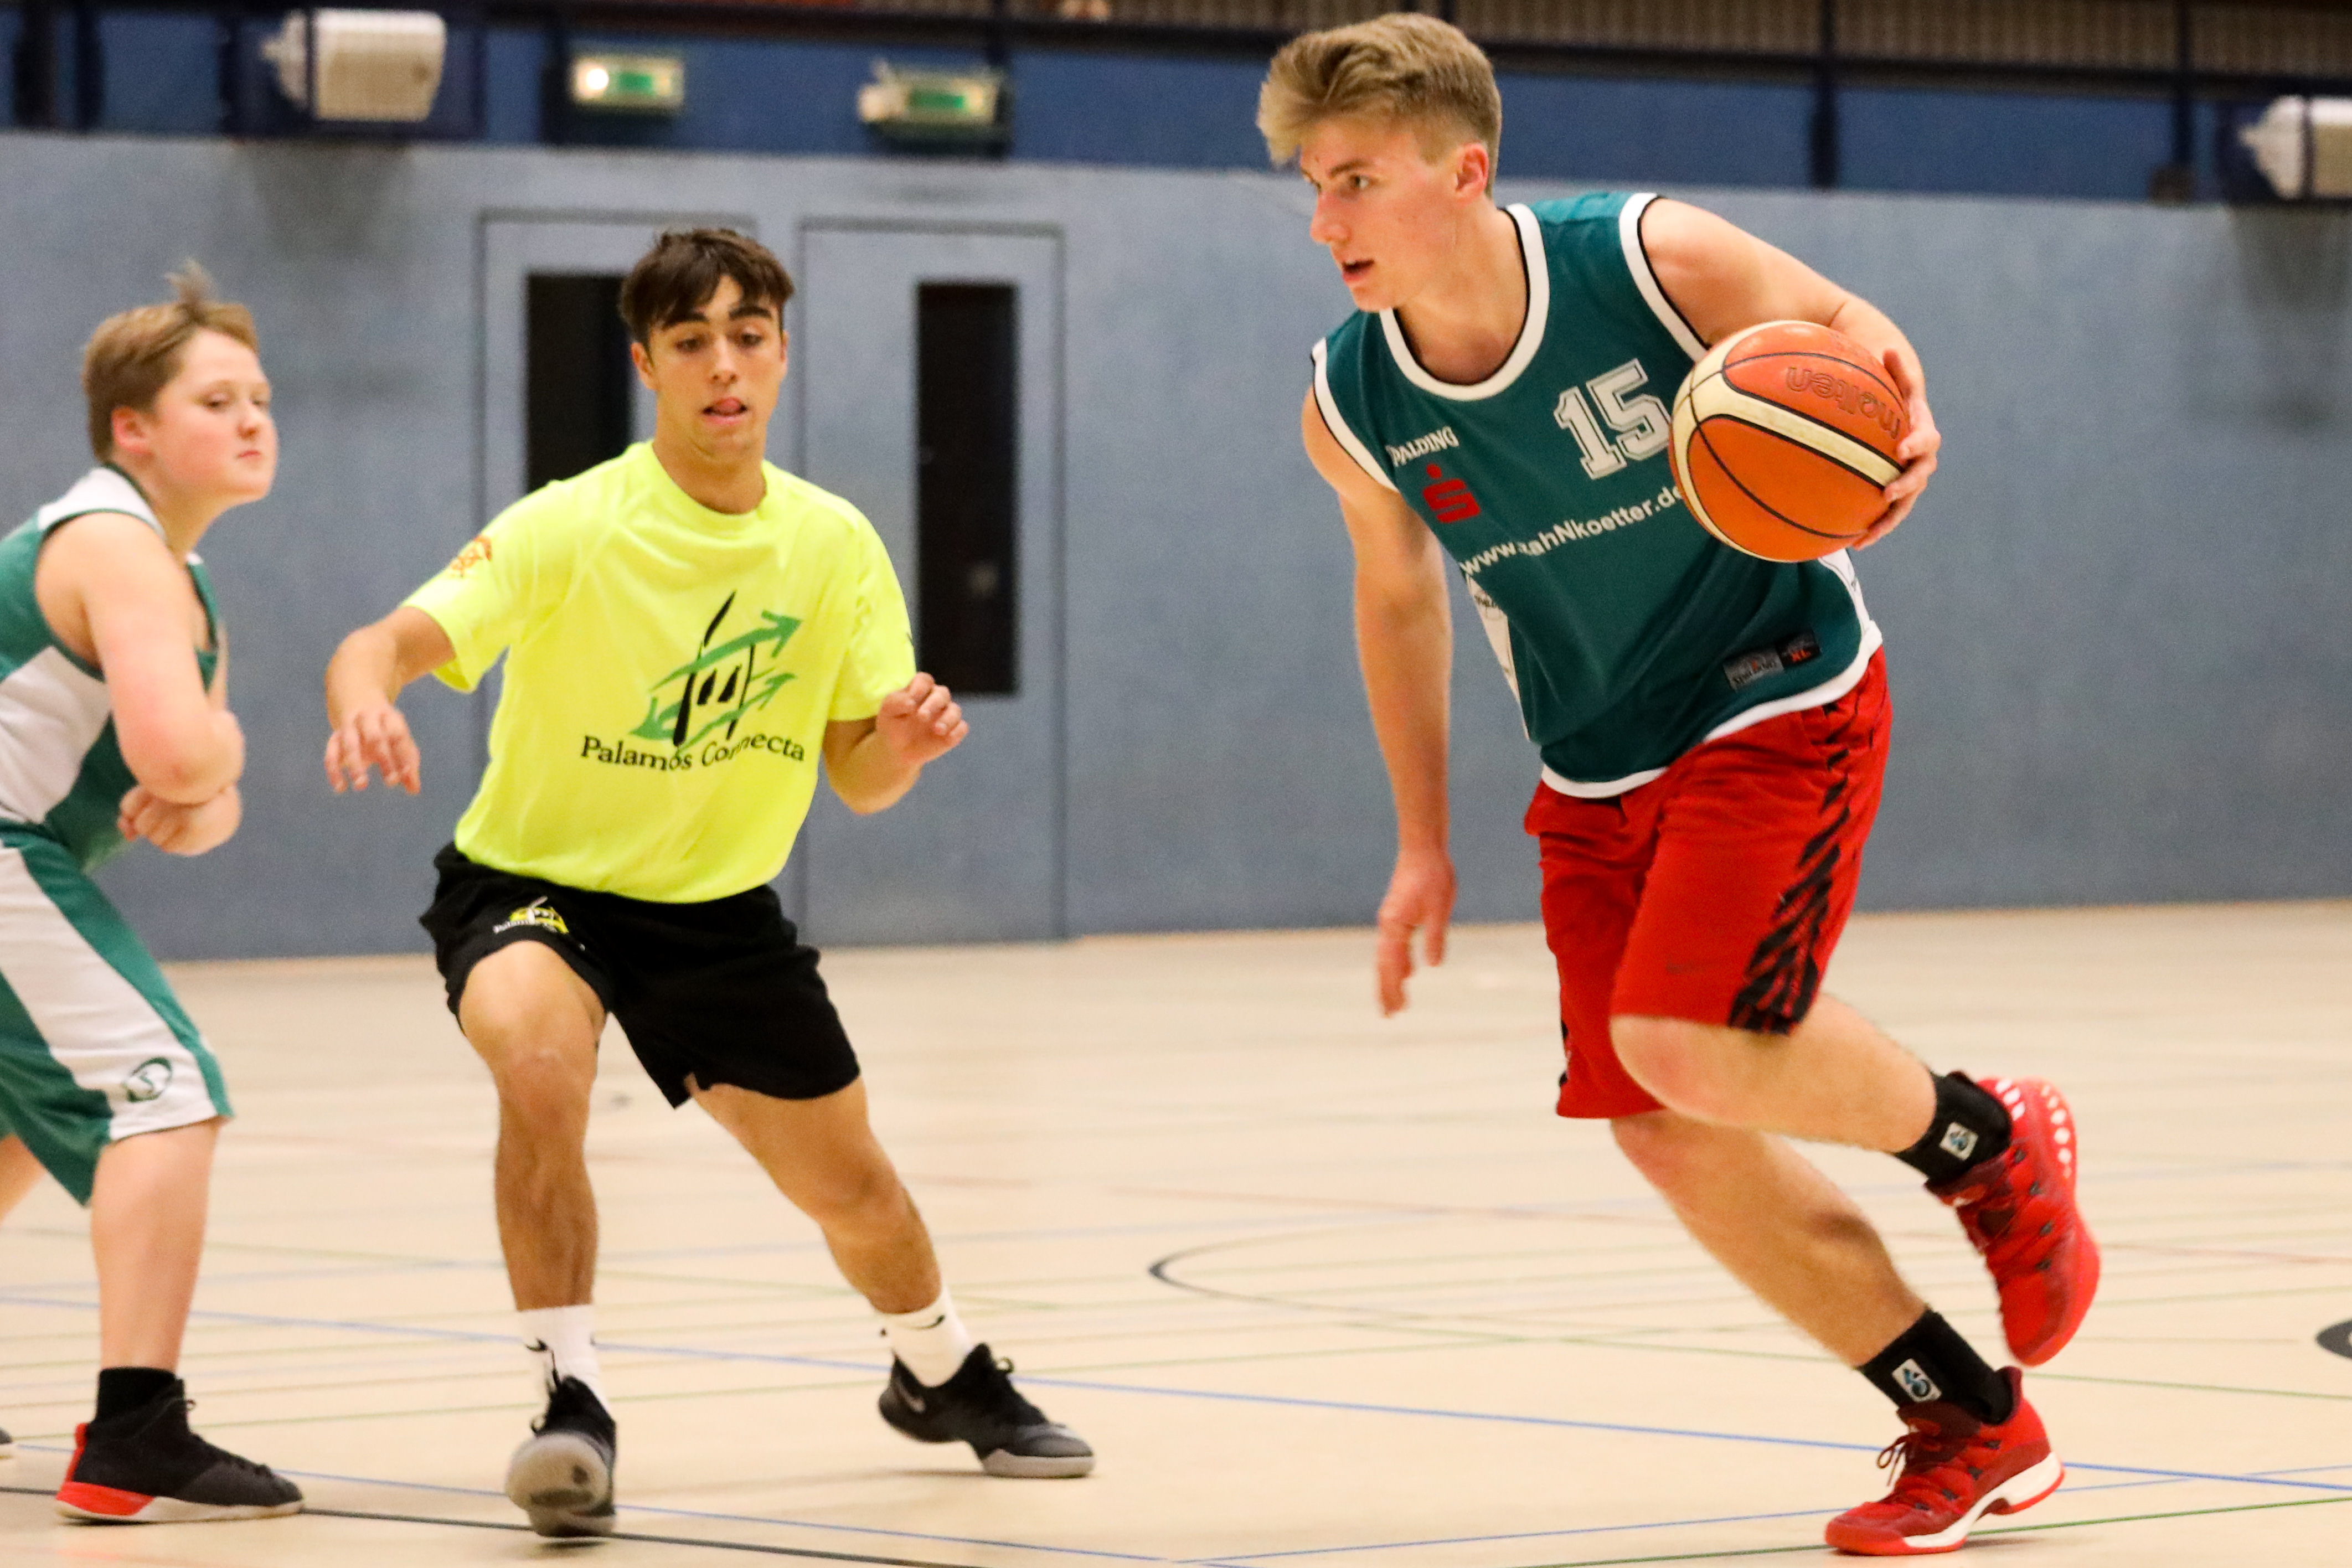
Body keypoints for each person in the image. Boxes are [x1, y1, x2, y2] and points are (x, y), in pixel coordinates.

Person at [1262, 16, 2097, 1556]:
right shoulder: (1353, 399)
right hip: (1594, 757)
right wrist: (1421, 841)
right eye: (1312, 185)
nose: (1325, 221)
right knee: (1658, 1121)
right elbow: (1397, 601)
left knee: (1682, 1035)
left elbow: (1841, 324)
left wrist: (1902, 412)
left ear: (1466, 171)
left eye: (1356, 180)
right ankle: (1971, 1423)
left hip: (1776, 686)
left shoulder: (1648, 260)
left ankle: (1986, 1140)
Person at [321, 228, 1092, 1538]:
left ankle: (940, 1368)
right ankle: (570, 1403)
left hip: (715, 914)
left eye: (748, 336)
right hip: (535, 888)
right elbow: (382, 642)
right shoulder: (572, 523)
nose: (723, 365)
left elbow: (860, 778)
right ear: (648, 366)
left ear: (782, 355)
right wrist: (362, 700)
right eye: (691, 342)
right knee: (538, 1060)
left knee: (853, 1187)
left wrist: (900, 746)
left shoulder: (833, 545)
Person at [0, 270, 304, 1523]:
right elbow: (188, 758)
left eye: (261, 399)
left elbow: (197, 810)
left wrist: (204, 784)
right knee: (165, 1096)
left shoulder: (175, 571)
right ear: (132, 428)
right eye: (216, 401)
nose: (253, 421)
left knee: (14, 1127)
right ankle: (134, 1432)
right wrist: (219, 761)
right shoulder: (115, 545)